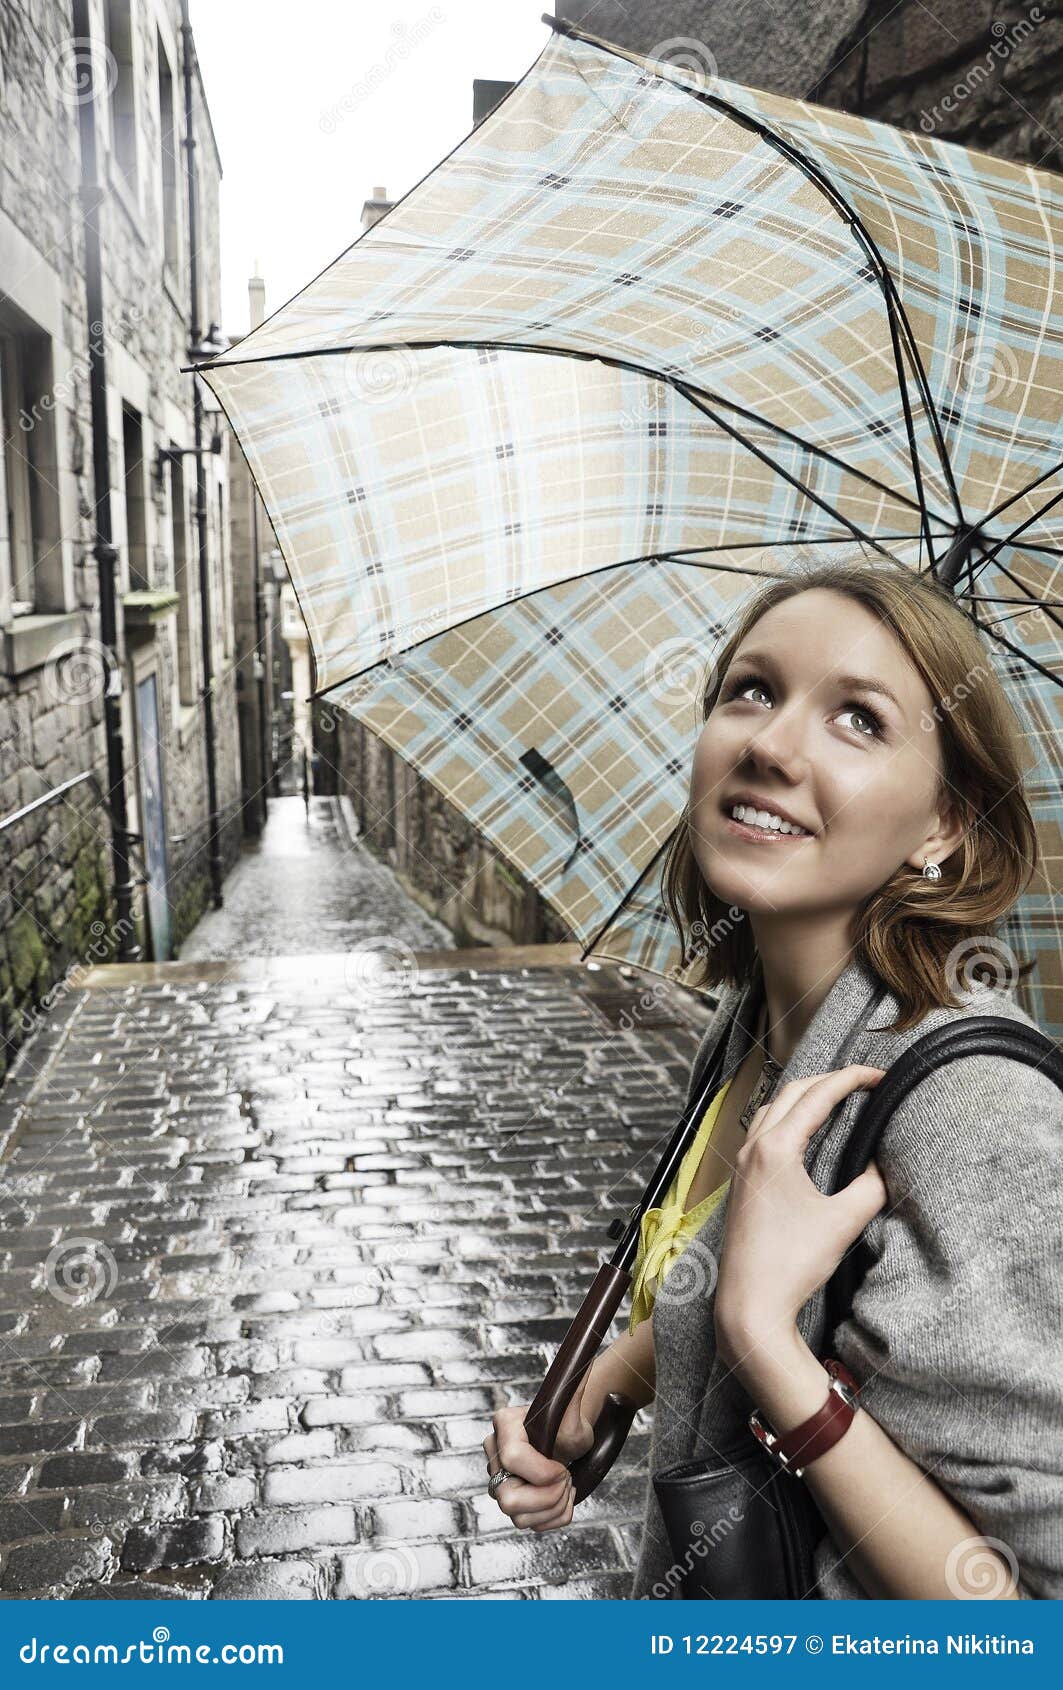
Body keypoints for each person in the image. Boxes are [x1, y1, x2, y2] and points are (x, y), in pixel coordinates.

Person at [483, 552, 1063, 1599]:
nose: (771, 743)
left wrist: (769, 1348)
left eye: (860, 720)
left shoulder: (975, 1111)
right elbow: (731, 1260)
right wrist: (601, 1391)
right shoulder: (751, 1025)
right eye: (752, 690)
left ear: (941, 825)